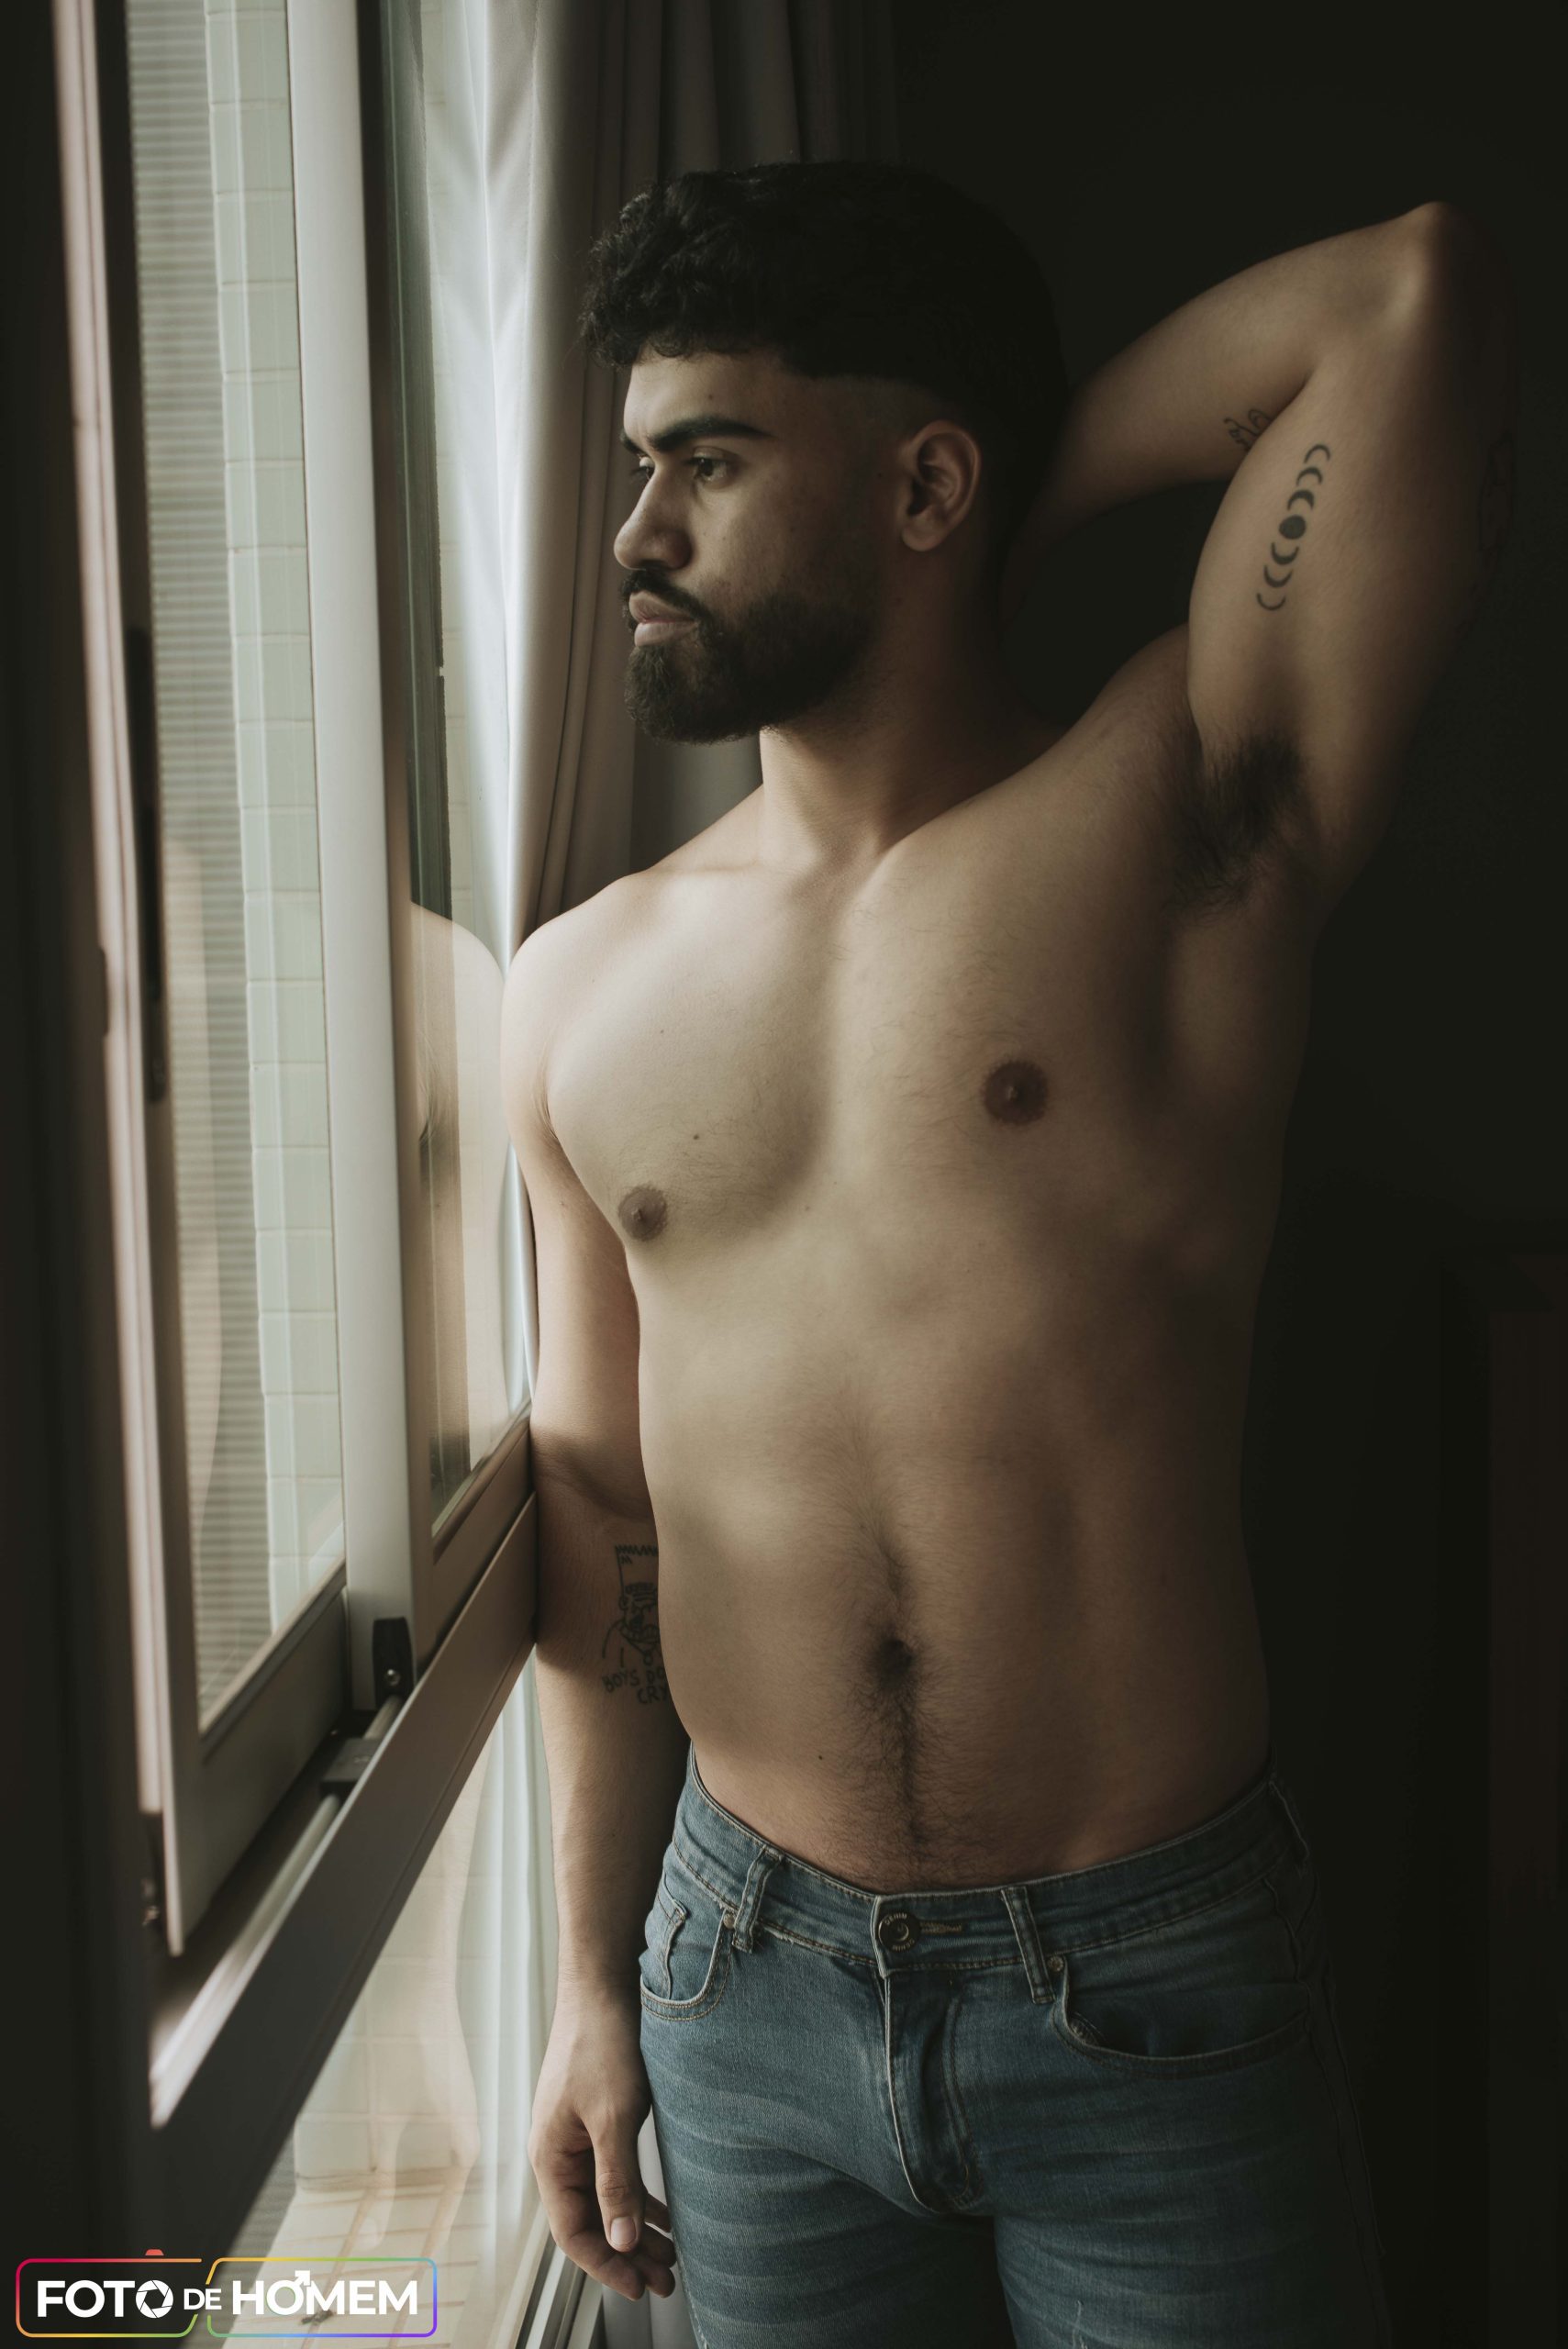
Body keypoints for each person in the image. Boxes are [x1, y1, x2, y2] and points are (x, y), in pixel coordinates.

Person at [507, 160, 1517, 2347]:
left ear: (928, 482)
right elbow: (598, 1507)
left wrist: (1004, 493)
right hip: (739, 1977)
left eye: (709, 462)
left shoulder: (1176, 818)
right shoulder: (579, 987)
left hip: (1142, 1980)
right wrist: (588, 1980)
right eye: (636, 468)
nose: (637, 535)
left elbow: (1405, 298)